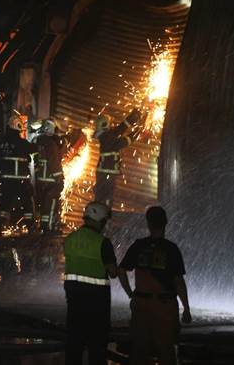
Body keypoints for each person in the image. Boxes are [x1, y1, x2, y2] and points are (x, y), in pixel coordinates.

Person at [118, 206, 192, 365]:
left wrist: (131, 294)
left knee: (139, 352)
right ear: (165, 223)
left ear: (148, 223)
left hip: (141, 306)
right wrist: (186, 308)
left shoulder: (138, 246)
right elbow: (178, 281)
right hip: (165, 307)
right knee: (166, 352)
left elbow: (121, 271)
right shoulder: (171, 249)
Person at [64, 201, 117, 365]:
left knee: (74, 352)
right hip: (97, 309)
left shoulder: (70, 239)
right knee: (97, 354)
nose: (105, 225)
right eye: (104, 222)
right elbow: (113, 273)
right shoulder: (103, 242)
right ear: (100, 220)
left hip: (74, 306)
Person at [93, 108, 142, 207]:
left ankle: (100, 216)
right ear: (105, 124)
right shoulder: (107, 138)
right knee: (105, 196)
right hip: (106, 172)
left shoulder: (106, 135)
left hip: (105, 172)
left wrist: (132, 117)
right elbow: (122, 142)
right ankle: (104, 217)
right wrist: (136, 133)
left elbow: (120, 129)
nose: (111, 125)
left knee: (103, 195)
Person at [0, 114, 37, 231]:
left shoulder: (2, 142)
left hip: (6, 180)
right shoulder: (20, 142)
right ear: (17, 126)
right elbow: (33, 149)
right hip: (20, 179)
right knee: (27, 202)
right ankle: (31, 226)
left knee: (5, 202)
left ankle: (1, 226)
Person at [33, 118, 66, 232]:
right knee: (51, 204)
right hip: (51, 180)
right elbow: (54, 162)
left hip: (41, 179)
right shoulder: (51, 144)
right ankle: (50, 227)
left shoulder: (39, 141)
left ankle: (44, 225)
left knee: (44, 205)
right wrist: (59, 178)